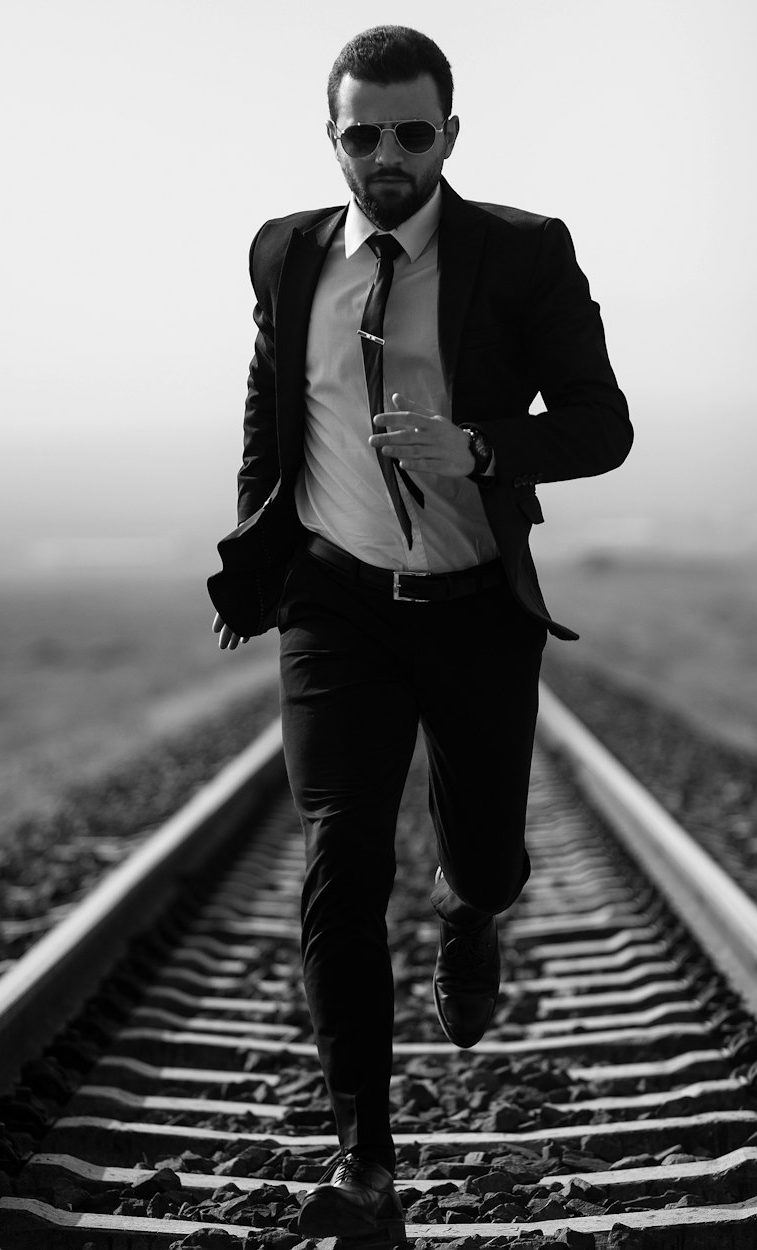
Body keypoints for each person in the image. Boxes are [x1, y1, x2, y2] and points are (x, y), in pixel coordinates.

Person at [208, 24, 631, 1242]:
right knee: (342, 848)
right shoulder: (286, 253)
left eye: (410, 131)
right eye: (361, 134)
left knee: (484, 851)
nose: (385, 155)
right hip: (336, 604)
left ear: (450, 132)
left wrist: (484, 445)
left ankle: (473, 908)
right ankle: (365, 1162)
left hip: (471, 609)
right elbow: (270, 394)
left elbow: (603, 423)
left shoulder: (521, 252)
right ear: (331, 137)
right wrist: (259, 541)